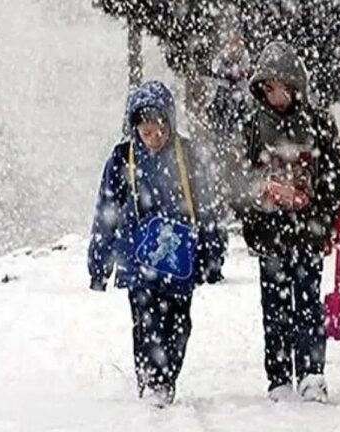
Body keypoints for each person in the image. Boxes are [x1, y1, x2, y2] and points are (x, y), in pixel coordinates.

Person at [88, 81, 224, 408]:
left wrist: (212, 255)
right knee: (145, 321)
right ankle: (150, 380)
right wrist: (99, 263)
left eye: (159, 130)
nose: (153, 138)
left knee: (179, 323)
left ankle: (167, 376)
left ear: (170, 124)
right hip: (138, 259)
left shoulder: (188, 156)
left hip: (180, 260)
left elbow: (207, 208)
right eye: (146, 132)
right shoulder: (122, 159)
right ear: (135, 128)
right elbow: (106, 212)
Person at [232, 41, 340, 402]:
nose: (275, 96)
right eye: (268, 89)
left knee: (308, 303)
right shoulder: (253, 127)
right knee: (275, 307)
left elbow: (337, 173)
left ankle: (313, 373)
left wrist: (324, 213)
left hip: (308, 232)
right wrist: (258, 201)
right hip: (270, 234)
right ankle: (279, 377)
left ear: (295, 86)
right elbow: (238, 179)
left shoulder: (317, 123)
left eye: (280, 88)